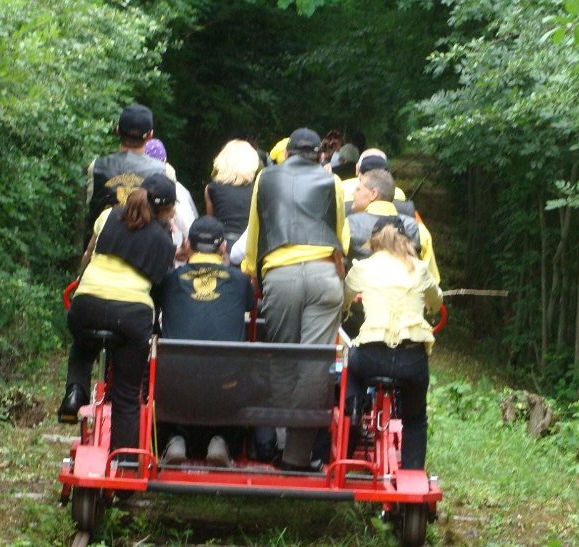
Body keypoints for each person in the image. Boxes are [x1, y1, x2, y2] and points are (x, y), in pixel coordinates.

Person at [242, 127, 346, 470]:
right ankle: (298, 455)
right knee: (314, 363)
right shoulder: (332, 182)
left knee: (284, 358)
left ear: (286, 154)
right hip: (323, 273)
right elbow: (341, 235)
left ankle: (281, 442)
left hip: (280, 274)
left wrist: (252, 270)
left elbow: (256, 230)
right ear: (321, 155)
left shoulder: (265, 179)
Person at [58, 174, 177, 461]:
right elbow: (160, 290)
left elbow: (88, 255)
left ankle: (74, 392)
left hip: (87, 302)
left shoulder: (108, 216)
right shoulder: (164, 241)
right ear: (166, 209)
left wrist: (83, 282)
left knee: (82, 343)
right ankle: (124, 459)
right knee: (126, 393)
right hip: (131, 315)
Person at [343, 217, 443, 469]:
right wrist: (429, 305)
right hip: (411, 358)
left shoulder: (364, 267)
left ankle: (354, 409)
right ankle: (412, 470)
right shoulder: (419, 268)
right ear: (406, 240)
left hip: (370, 356)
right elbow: (437, 301)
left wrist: (349, 305)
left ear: (374, 241)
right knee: (416, 419)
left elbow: (343, 297)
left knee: (349, 366)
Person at [156, 216, 255, 467]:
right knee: (241, 375)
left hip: (176, 382)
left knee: (177, 374)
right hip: (227, 382)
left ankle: (175, 437)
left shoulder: (169, 281)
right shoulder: (240, 282)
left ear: (187, 244)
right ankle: (222, 439)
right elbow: (249, 305)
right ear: (223, 248)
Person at [85, 104, 165, 239]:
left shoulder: (96, 166)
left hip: (101, 245)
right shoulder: (162, 171)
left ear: (117, 131)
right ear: (150, 135)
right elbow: (165, 216)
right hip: (143, 247)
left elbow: (91, 207)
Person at [203, 139, 260, 255]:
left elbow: (211, 224)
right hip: (249, 248)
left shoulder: (211, 189)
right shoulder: (258, 189)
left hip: (222, 248)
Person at [145, 138, 199, 259]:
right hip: (171, 255)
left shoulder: (136, 190)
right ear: (165, 161)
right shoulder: (176, 189)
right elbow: (187, 228)